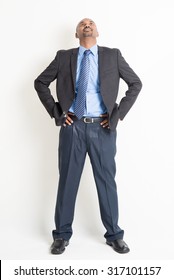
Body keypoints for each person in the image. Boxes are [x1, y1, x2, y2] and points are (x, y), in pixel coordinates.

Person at [34, 18, 142, 255]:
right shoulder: (64, 57)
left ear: (97, 31)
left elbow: (135, 83)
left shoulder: (113, 55)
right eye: (82, 23)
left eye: (91, 22)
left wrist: (117, 116)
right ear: (76, 33)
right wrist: (57, 112)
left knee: (106, 181)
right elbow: (40, 82)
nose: (87, 24)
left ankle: (114, 235)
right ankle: (61, 235)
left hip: (102, 128)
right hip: (72, 127)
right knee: (67, 182)